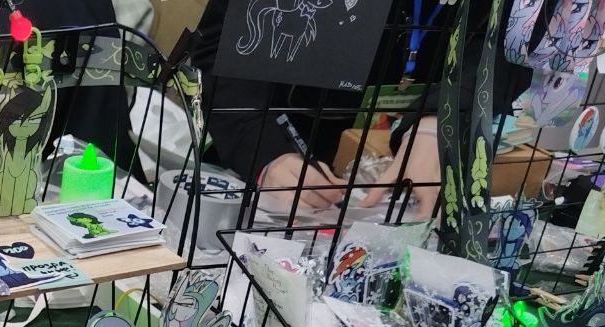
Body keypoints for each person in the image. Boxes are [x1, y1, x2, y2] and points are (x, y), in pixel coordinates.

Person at [191, 0, 531, 215]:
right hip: (282, 149)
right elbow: (221, 47)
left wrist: (441, 120)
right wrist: (266, 154)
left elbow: (514, 44)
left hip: (404, 168)